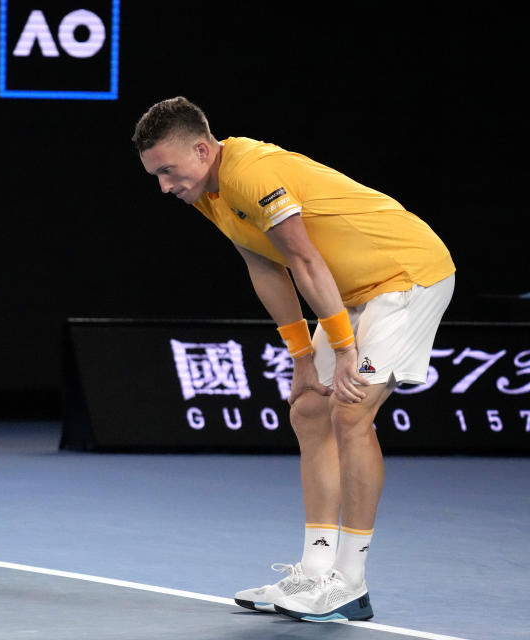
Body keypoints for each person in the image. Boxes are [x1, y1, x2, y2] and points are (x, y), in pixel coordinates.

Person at [132, 97, 455, 622]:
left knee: (351, 413)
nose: (164, 186)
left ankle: (351, 583)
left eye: (167, 170)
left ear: (201, 147)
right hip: (349, 290)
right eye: (155, 175)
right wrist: (302, 358)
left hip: (406, 276)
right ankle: (315, 570)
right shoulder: (207, 194)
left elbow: (303, 258)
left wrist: (346, 351)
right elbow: (266, 268)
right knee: (308, 410)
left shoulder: (253, 174)